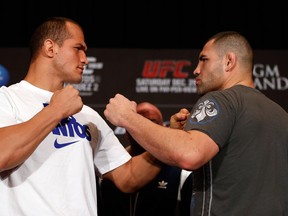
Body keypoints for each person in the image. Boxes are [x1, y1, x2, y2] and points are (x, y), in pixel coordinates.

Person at [103, 31, 288, 216]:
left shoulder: (222, 100)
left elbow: (190, 154)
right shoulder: (281, 115)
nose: (196, 69)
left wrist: (128, 117)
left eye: (204, 59)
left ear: (229, 61)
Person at [0, 17, 162, 216]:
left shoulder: (87, 115)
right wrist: (55, 111)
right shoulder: (7, 99)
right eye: (78, 48)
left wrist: (168, 139)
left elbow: (128, 176)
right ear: (50, 48)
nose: (85, 59)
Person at [99, 102, 192, 216]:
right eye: (138, 123)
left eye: (151, 123)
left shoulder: (181, 174)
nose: (145, 130)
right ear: (126, 132)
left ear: (163, 129)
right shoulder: (106, 170)